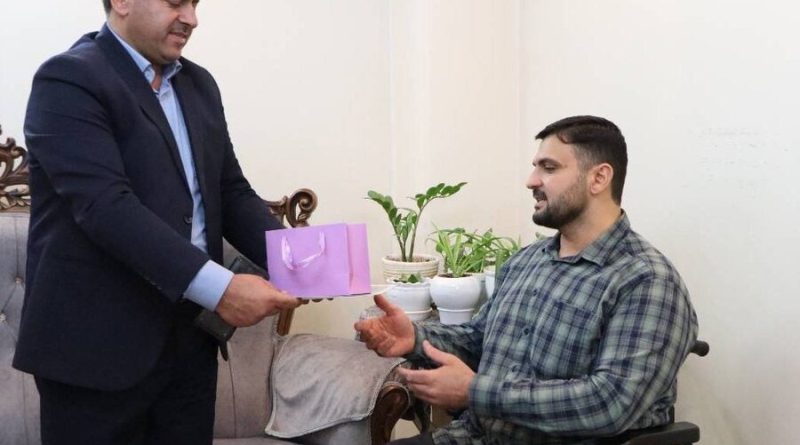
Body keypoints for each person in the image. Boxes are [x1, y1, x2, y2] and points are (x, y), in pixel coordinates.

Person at [12, 1, 302, 444]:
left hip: (190, 345)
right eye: (175, 2)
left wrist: (300, 260)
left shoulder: (199, 84)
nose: (191, 18)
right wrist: (222, 289)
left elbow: (229, 192)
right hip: (95, 352)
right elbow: (106, 207)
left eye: (195, 4)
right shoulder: (68, 79)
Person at [355, 115, 699, 445]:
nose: (531, 181)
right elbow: (479, 340)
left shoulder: (646, 280)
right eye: (536, 167)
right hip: (473, 438)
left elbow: (610, 403)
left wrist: (475, 392)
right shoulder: (527, 261)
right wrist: (415, 337)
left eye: (548, 167)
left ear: (598, 178)